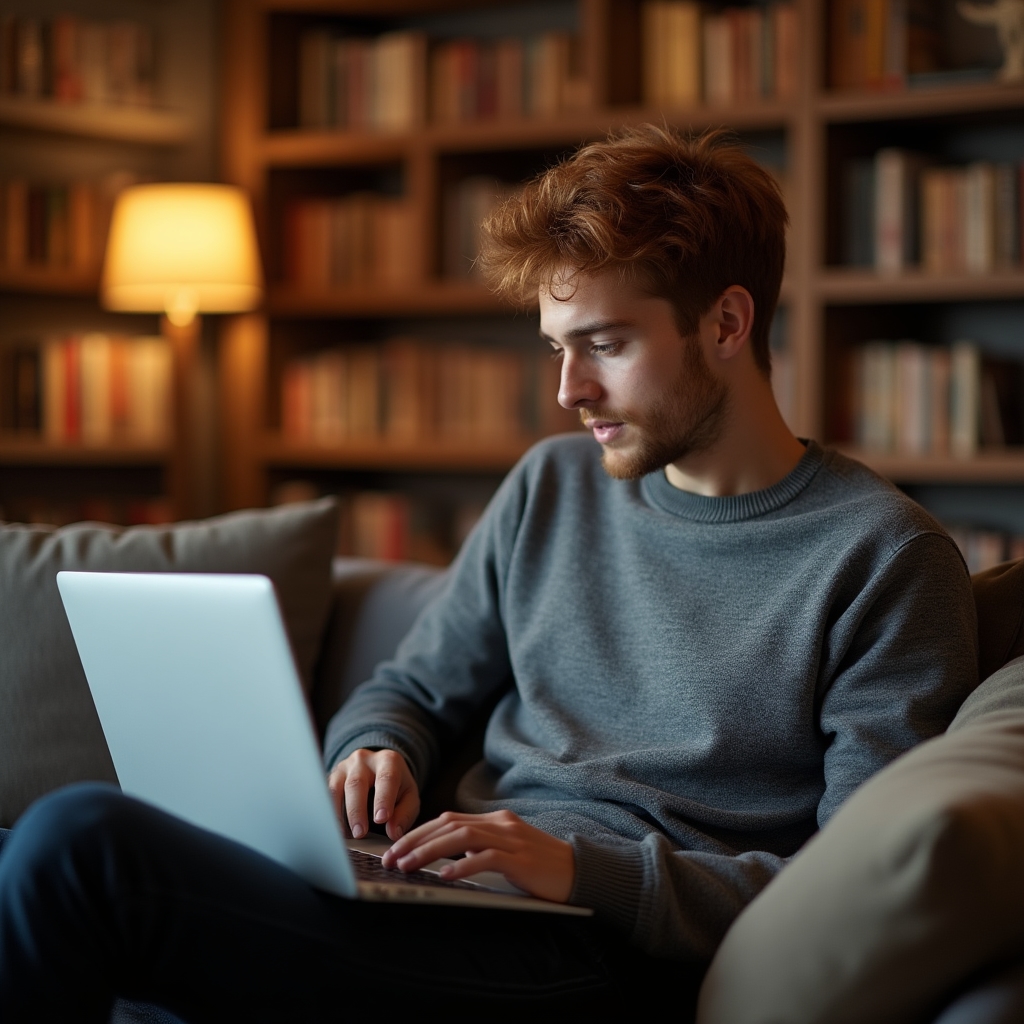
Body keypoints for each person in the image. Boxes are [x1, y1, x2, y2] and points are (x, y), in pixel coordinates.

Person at [0, 126, 977, 1023]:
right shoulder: (553, 485)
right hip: (452, 890)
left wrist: (582, 869)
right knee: (25, 852)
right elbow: (410, 689)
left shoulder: (884, 557)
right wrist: (376, 748)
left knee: (78, 844)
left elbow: (850, 887)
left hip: (599, 948)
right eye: (557, 348)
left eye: (605, 345)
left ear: (726, 322)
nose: (569, 391)